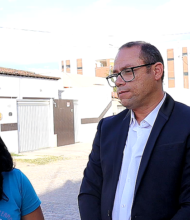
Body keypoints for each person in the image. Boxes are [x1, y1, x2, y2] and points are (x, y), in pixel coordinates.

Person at [78, 41, 190, 219]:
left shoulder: (185, 123)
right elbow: (90, 190)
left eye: (128, 71)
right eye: (116, 75)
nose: (119, 82)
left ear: (156, 71)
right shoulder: (107, 128)